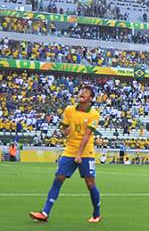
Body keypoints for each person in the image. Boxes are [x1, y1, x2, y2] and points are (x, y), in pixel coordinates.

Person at [30, 84, 102, 223]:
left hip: (86, 152)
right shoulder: (69, 110)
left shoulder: (94, 114)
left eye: (86, 92)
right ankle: (45, 213)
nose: (82, 93)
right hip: (69, 150)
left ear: (91, 98)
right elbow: (64, 127)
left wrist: (79, 154)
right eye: (81, 90)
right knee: (58, 179)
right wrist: (65, 132)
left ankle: (96, 214)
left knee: (90, 183)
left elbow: (87, 136)